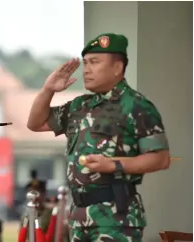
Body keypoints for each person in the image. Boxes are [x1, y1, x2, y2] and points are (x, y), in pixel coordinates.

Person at [26, 33, 170, 242]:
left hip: (116, 218)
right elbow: (35, 124)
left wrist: (112, 165)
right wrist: (48, 90)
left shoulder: (137, 106)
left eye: (94, 62)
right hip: (79, 216)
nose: (86, 69)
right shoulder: (79, 106)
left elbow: (161, 159)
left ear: (117, 68)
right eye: (85, 63)